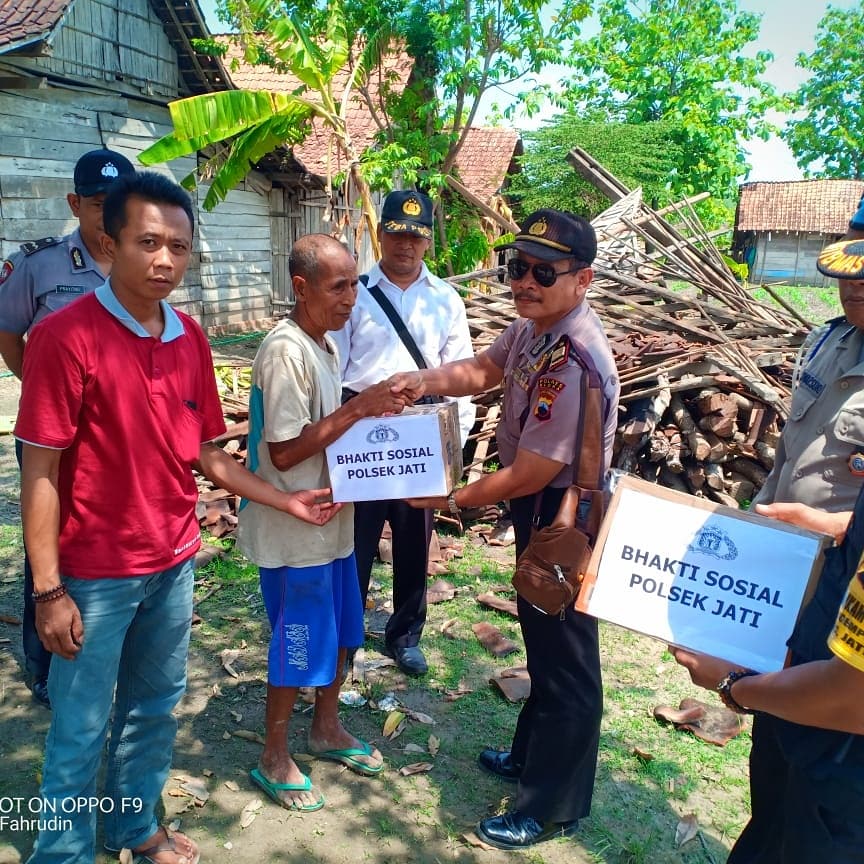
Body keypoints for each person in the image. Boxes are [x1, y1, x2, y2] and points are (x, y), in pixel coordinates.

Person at [16, 172, 341, 864]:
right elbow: (38, 471)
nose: (165, 260)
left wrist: (283, 498)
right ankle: (62, 853)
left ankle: (134, 827)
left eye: (179, 247)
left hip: (172, 561)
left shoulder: (189, 337)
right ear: (111, 242)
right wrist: (48, 590)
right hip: (94, 574)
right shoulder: (64, 336)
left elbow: (204, 454)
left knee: (153, 708)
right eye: (149, 243)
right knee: (79, 724)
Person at [388, 209, 620, 849]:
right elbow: (482, 371)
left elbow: (532, 469)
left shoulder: (573, 355)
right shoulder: (534, 329)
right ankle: (531, 757)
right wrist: (421, 380)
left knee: (567, 659)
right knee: (543, 643)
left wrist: (454, 496)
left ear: (583, 279)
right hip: (540, 512)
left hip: (563, 519)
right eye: (517, 267)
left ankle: (550, 806)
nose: (526, 281)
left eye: (544, 271)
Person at [238, 234, 409, 811]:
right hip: (294, 532)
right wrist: (361, 408)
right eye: (338, 286)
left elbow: (326, 431)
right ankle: (274, 752)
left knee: (341, 631)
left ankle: (326, 727)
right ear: (301, 287)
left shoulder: (325, 345)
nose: (351, 297)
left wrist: (378, 432)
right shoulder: (285, 350)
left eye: (355, 283)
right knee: (299, 639)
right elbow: (284, 452)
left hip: (332, 524)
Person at [707, 238, 864, 864]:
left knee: (824, 768)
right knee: (777, 760)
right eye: (848, 277)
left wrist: (830, 525)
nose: (853, 288)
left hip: (845, 591)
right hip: (791, 579)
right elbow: (794, 451)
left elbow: (850, 696)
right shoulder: (831, 341)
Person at [0, 147, 136, 707]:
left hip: (118, 439)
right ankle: (44, 661)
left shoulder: (141, 262)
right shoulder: (41, 266)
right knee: (47, 548)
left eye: (118, 204)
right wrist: (41, 387)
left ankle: (108, 648)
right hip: (53, 437)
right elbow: (9, 333)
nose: (108, 215)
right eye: (99, 204)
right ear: (75, 203)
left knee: (109, 543)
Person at [673, 488, 864, 864]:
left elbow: (851, 698)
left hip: (842, 775)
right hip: (803, 708)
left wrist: (734, 686)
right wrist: (846, 527)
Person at [330, 190, 475, 676]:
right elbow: (336, 367)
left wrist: (456, 439)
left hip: (423, 430)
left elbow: (459, 371)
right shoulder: (354, 293)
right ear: (380, 233)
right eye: (396, 234)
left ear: (428, 241)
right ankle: (346, 636)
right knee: (354, 539)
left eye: (416, 236)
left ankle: (406, 635)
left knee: (416, 537)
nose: (405, 245)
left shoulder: (446, 300)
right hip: (363, 426)